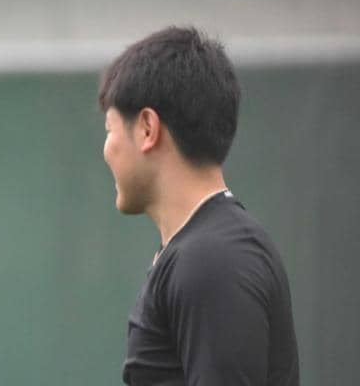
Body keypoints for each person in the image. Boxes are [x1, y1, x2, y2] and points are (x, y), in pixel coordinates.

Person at [99, 27, 299, 385]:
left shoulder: (213, 258)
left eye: (109, 129)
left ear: (147, 128)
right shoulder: (201, 252)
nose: (106, 150)